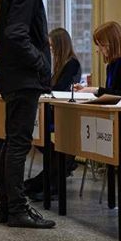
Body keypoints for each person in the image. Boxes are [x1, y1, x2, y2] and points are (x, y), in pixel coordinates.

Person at [0, 0, 67, 229]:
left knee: (12, 143)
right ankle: (16, 209)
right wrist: (41, 62)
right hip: (24, 78)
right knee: (18, 144)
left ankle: (7, 206)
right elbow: (16, 34)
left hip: (14, 76)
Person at [24, 28, 82, 200]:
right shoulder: (60, 64)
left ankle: (52, 180)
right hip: (54, 110)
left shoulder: (72, 64)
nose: (50, 49)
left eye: (51, 45)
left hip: (63, 113)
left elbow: (59, 88)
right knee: (45, 143)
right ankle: (50, 177)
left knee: (50, 144)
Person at [74, 21, 121, 96]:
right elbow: (112, 92)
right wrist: (86, 90)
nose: (99, 50)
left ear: (113, 43)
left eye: (102, 45)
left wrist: (95, 90)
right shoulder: (112, 64)